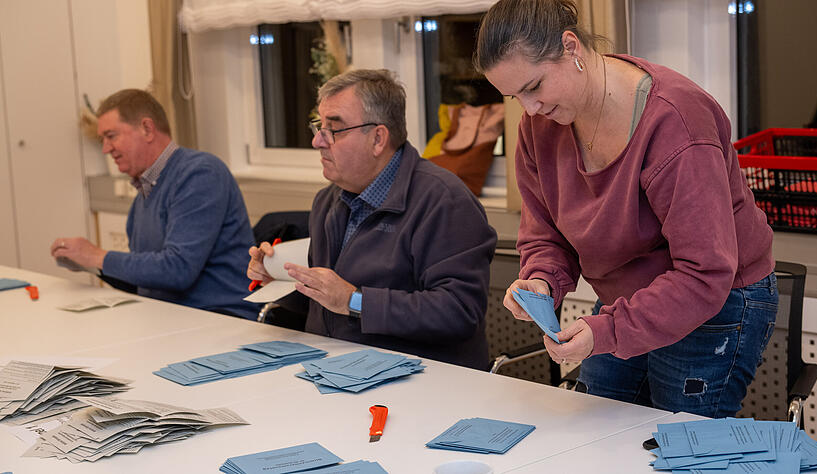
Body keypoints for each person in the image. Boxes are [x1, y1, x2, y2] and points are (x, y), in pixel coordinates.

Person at [476, 0, 777, 417]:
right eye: (514, 96)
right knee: (594, 427)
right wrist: (541, 280)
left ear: (570, 47)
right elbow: (545, 234)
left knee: (675, 439)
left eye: (534, 87)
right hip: (630, 299)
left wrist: (609, 330)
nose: (529, 109)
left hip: (716, 299)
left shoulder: (676, 122)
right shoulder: (539, 126)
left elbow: (704, 273)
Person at [247, 69, 497, 369]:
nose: (317, 142)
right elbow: (327, 307)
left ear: (378, 138)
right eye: (318, 126)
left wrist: (354, 301)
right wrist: (280, 281)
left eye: (334, 130)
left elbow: (459, 313)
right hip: (332, 369)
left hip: (418, 378)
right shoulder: (328, 200)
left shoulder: (444, 201)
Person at [51, 89, 258, 320]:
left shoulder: (201, 173)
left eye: (111, 136)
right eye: (103, 140)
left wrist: (96, 256)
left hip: (222, 318)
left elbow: (178, 270)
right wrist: (90, 264)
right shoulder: (142, 198)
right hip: (172, 319)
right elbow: (146, 281)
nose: (106, 149)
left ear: (147, 129)